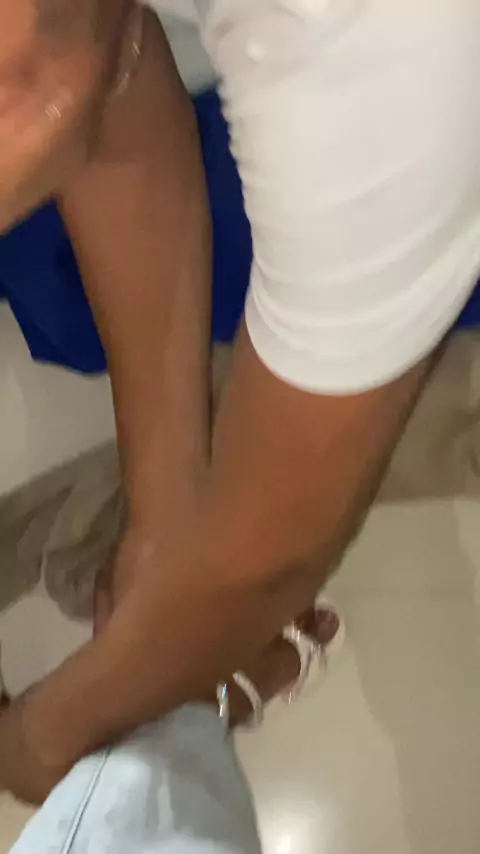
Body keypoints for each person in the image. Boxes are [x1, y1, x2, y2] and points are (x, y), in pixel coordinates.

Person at [1, 0, 479, 805]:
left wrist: (40, 745)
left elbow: (274, 553)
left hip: (400, 84)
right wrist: (162, 520)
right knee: (58, 270)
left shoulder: (371, 61)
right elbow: (104, 56)